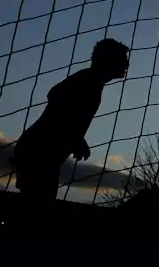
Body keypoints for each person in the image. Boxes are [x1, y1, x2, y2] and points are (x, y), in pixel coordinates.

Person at [11, 38, 130, 202]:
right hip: (37, 151)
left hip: (39, 152)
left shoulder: (93, 82)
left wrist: (76, 137)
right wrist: (74, 136)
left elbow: (59, 101)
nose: (127, 65)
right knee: (38, 206)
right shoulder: (88, 80)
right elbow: (55, 95)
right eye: (123, 60)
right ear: (108, 60)